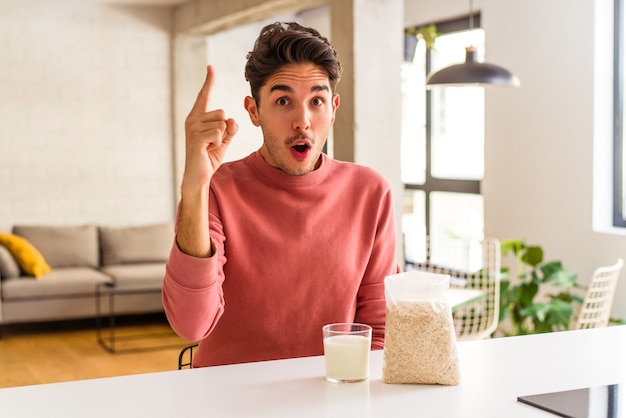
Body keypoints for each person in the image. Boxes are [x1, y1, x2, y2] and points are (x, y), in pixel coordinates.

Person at [162, 21, 400, 368]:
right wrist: (194, 186)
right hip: (227, 398)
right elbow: (190, 324)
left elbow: (378, 330)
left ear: (333, 108)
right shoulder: (216, 190)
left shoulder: (371, 193)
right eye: (284, 100)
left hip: (331, 394)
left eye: (316, 101)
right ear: (254, 111)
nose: (302, 121)